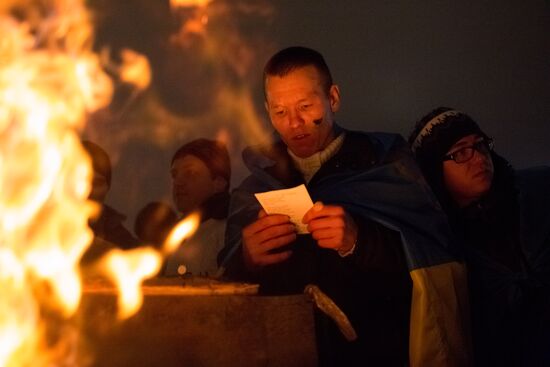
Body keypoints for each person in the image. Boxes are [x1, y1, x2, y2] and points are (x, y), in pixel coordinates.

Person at [218, 47, 471, 366]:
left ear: (333, 99)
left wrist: (359, 241)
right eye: (279, 112)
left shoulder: (385, 164)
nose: (294, 123)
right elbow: (224, 280)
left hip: (373, 353)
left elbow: (436, 260)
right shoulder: (254, 185)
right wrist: (246, 258)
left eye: (305, 106)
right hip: (281, 352)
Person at [409, 107, 550, 366]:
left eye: (481, 145)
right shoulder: (437, 245)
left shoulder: (532, 201)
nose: (479, 158)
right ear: (432, 171)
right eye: (460, 152)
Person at [164, 138, 231, 277]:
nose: (178, 182)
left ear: (218, 183)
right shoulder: (172, 235)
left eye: (190, 173)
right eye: (174, 175)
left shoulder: (229, 232)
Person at [81, 140, 139, 264]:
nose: (88, 190)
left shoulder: (123, 243)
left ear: (107, 188)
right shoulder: (40, 237)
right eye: (82, 181)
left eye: (97, 183)